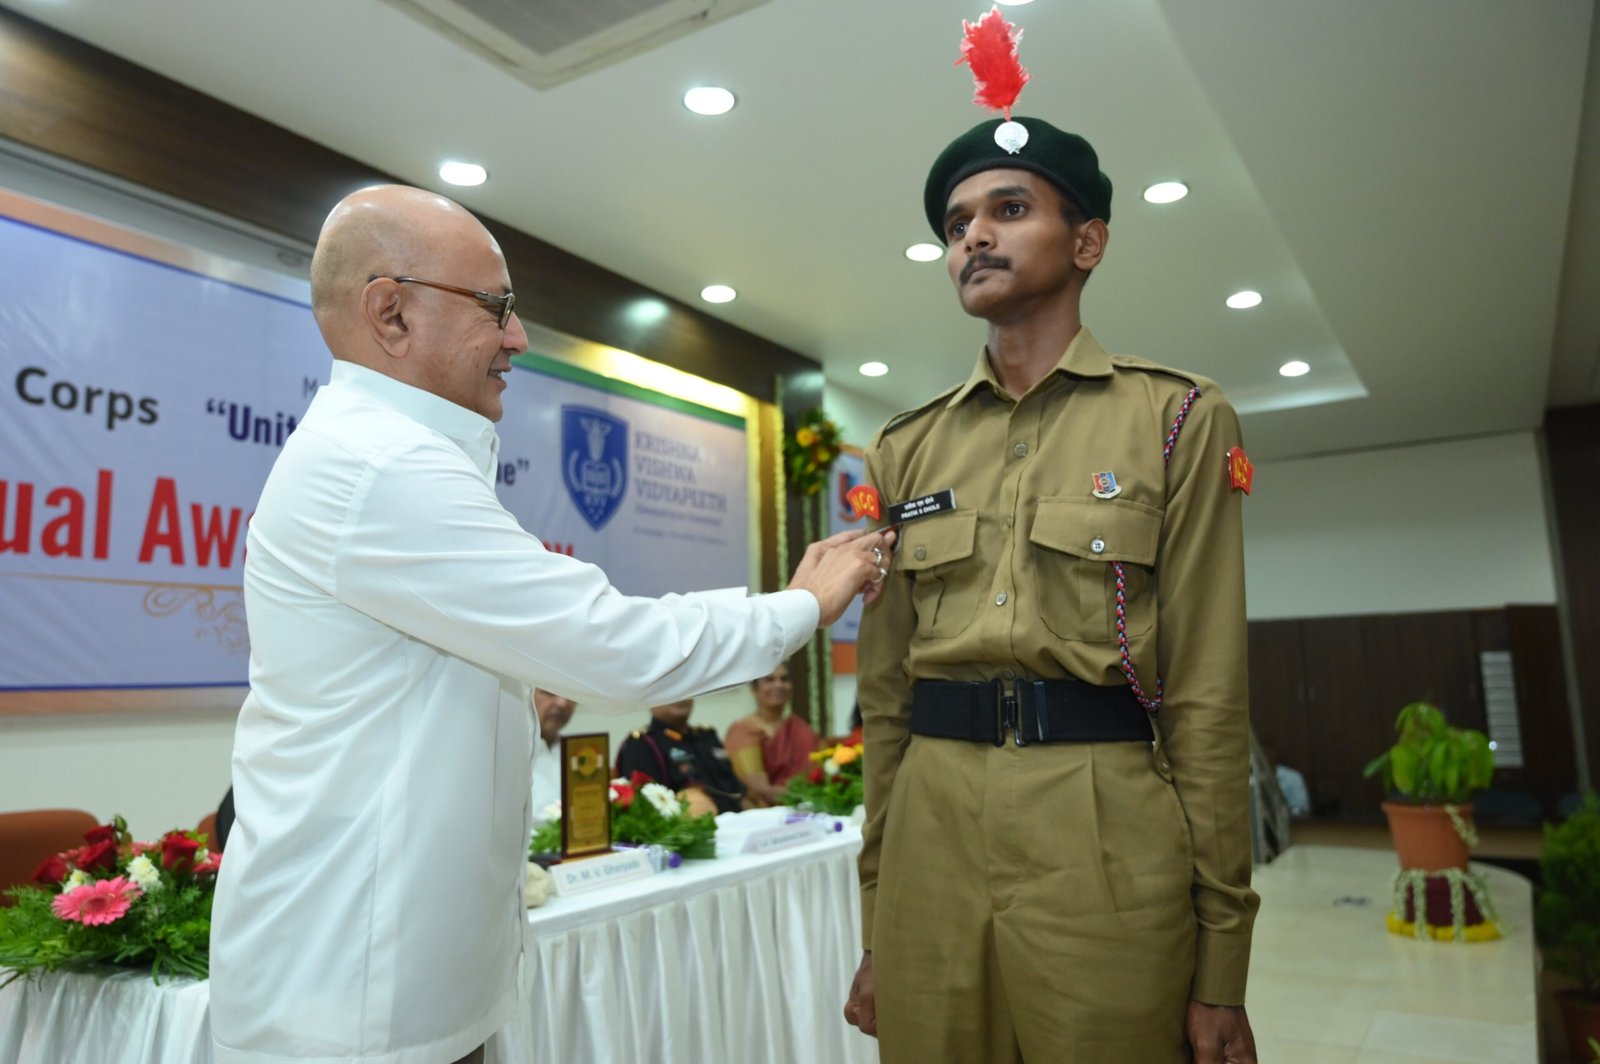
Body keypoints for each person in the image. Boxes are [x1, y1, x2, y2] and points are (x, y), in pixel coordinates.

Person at [209, 184, 892, 1064]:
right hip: (352, 1004)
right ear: (389, 312)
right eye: (495, 307)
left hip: (402, 984)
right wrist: (804, 605)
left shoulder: (398, 458)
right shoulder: (377, 465)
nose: (517, 338)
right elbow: (619, 647)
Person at [843, 95, 1258, 1064]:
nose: (973, 236)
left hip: (1102, 825)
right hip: (930, 838)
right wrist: (878, 914)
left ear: (1089, 241)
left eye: (1008, 209)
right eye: (955, 225)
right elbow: (887, 693)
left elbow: (1205, 696)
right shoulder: (906, 447)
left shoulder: (1179, 418)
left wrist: (1222, 962)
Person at [614, 698, 748, 815]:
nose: (679, 697)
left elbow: (736, 790)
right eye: (669, 691)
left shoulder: (706, 736)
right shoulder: (642, 745)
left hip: (738, 822)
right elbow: (647, 809)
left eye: (684, 690)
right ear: (649, 699)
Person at [724, 662, 819, 806]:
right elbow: (758, 788)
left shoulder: (800, 728)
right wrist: (800, 796)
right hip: (763, 813)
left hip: (807, 806)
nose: (778, 685)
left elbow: (815, 775)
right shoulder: (743, 730)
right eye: (769, 680)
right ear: (754, 690)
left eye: (784, 679)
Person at [529, 688, 577, 818]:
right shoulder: (505, 751)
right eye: (549, 691)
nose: (563, 703)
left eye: (571, 693)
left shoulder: (578, 753)